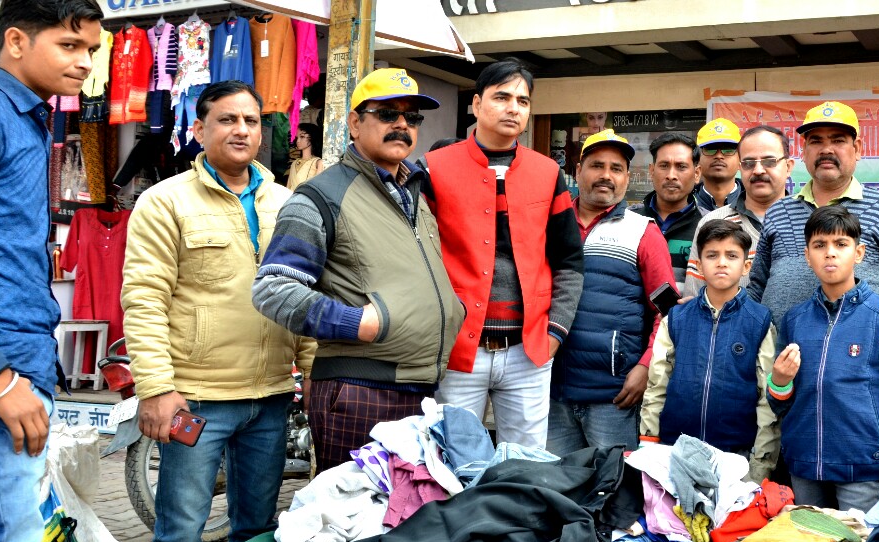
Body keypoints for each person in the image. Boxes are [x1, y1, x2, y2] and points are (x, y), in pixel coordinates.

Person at [123, 80, 315, 542]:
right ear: (200, 128)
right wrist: (156, 388)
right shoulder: (166, 201)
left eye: (251, 121)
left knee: (256, 533)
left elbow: (303, 294)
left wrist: (310, 372)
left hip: (270, 399)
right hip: (196, 399)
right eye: (227, 120)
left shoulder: (285, 203)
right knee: (180, 534)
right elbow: (144, 298)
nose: (241, 130)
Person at [253, 68, 462, 472]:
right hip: (359, 390)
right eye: (387, 114)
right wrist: (358, 323)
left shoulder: (413, 193)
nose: (402, 124)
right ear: (354, 123)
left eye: (411, 116)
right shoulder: (321, 195)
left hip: (418, 387)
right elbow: (273, 289)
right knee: (355, 511)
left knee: (408, 509)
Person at [0, 2, 101, 542]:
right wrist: (0, 379)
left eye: (90, 50)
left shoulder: (30, 117)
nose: (84, 63)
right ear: (16, 40)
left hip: (22, 361)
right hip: (5, 372)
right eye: (69, 45)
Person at [426, 58, 583, 449]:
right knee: (454, 462)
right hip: (459, 351)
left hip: (529, 351)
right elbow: (418, 260)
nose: (514, 108)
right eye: (502, 97)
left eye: (523, 101)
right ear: (476, 104)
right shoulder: (434, 169)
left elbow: (569, 261)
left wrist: (555, 333)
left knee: (524, 466)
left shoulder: (548, 173)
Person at [767, 206, 879, 511]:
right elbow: (779, 404)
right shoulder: (795, 320)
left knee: (858, 539)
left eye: (841, 244)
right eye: (819, 245)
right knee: (809, 540)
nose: (830, 253)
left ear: (859, 253)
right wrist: (779, 382)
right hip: (805, 463)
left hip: (862, 466)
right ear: (807, 256)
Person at [547, 130, 675, 455]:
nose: (606, 175)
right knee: (555, 483)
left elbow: (668, 311)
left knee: (613, 483)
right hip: (549, 391)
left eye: (616, 168)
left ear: (627, 178)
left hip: (614, 397)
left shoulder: (643, 233)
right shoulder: (549, 226)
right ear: (578, 171)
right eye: (597, 166)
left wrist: (646, 366)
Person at [750, 101, 879, 332]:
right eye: (816, 141)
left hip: (857, 348)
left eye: (838, 140)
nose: (826, 150)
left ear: (857, 149)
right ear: (803, 151)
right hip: (780, 348)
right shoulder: (778, 211)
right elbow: (757, 286)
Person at [642, 219, 779, 482]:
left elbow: (767, 399)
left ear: (746, 266)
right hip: (675, 450)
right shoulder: (677, 318)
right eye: (712, 255)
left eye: (732, 255)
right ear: (699, 264)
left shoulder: (759, 321)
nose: (722, 263)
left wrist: (760, 467)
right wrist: (648, 444)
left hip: (735, 457)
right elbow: (657, 385)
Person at [683, 125, 794, 298]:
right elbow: (694, 298)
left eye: (769, 161)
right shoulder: (712, 222)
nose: (758, 170)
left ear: (788, 166)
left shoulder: (808, 220)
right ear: (740, 167)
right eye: (749, 163)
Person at [629, 132, 704, 286]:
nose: (671, 175)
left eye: (681, 167)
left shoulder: (708, 225)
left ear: (696, 174)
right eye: (664, 166)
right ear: (651, 171)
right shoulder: (627, 220)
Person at [692, 117, 743, 211]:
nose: (719, 156)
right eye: (710, 149)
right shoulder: (685, 205)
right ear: (698, 160)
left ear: (740, 161)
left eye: (728, 150)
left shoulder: (755, 202)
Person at [287, 121, 324, 188]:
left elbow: (317, 188)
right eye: (297, 137)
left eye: (302, 137)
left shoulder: (317, 163)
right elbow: (288, 187)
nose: (298, 141)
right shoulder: (294, 163)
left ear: (312, 137)